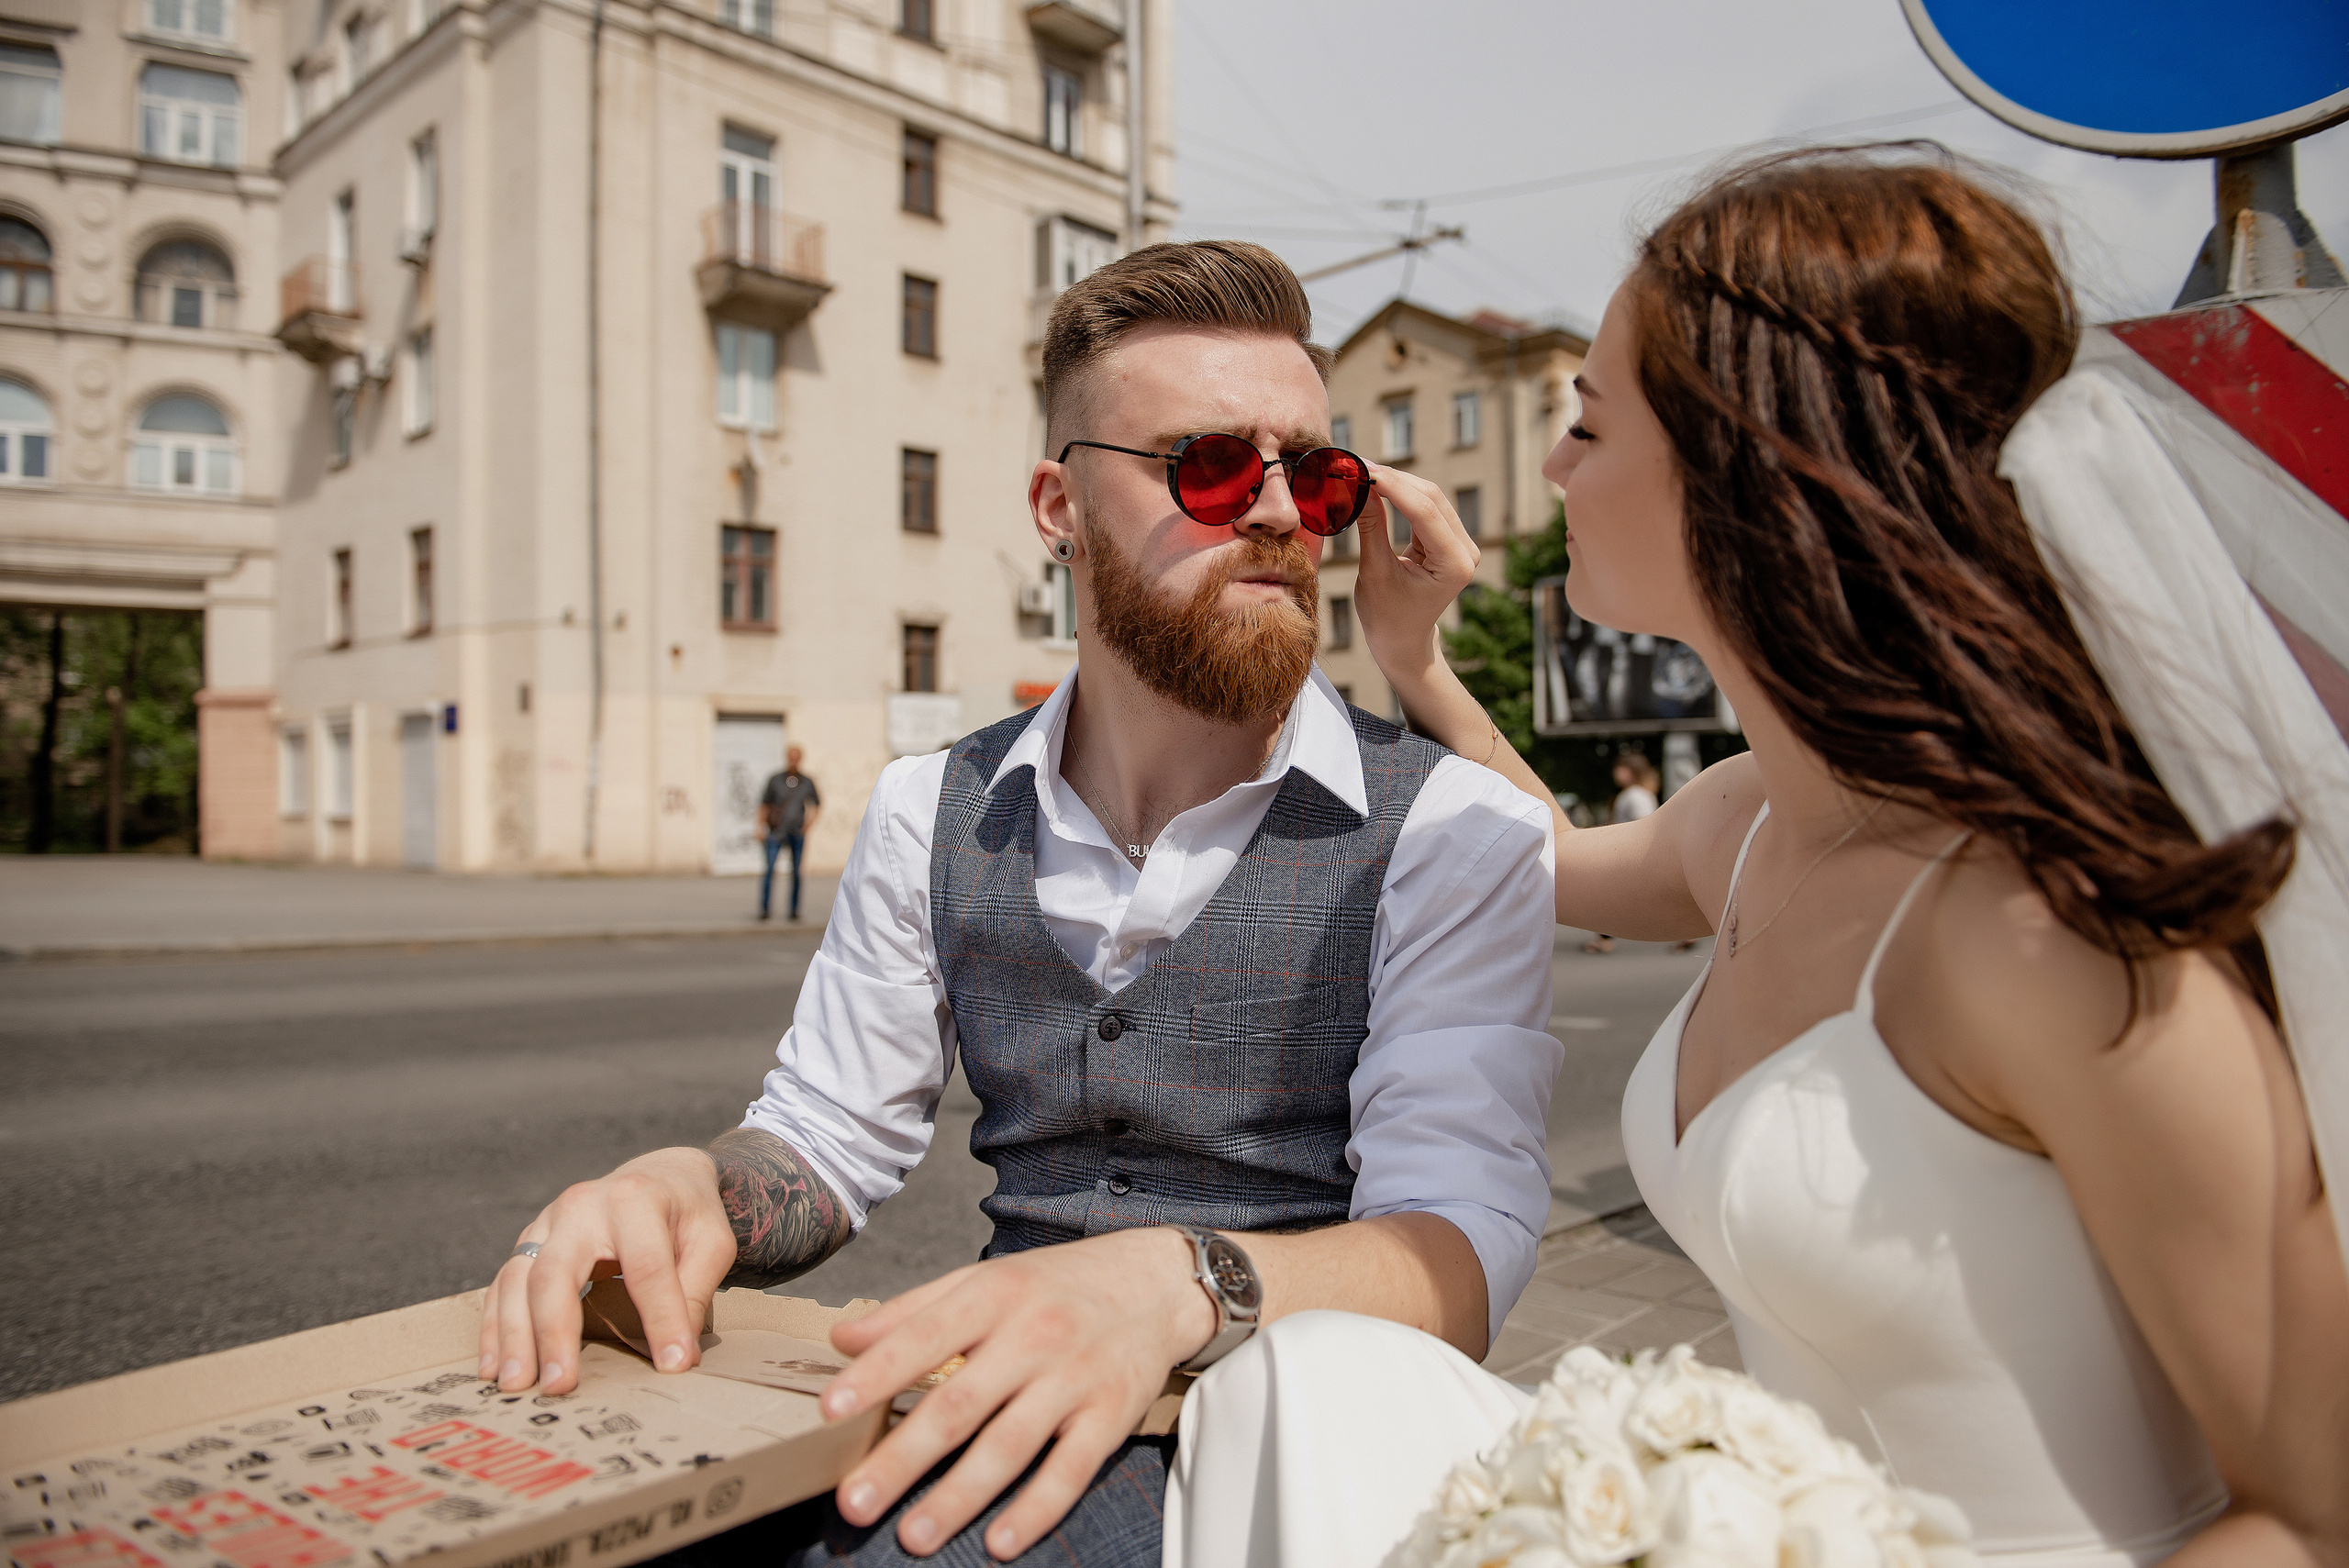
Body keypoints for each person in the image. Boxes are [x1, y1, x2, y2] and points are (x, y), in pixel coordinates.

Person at [1167, 146, 2348, 1565]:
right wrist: (1411, 658)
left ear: (1743, 467)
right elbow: (1532, 849)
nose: (1549, 466)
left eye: (1589, 429)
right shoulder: (1746, 823)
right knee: (1300, 1384)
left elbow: (2317, 1505)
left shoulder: (2042, 932)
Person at [479, 240, 1563, 1565]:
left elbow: (1460, 1251)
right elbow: (822, 1139)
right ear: (1058, 506)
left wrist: (1172, 1286)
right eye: (1212, 467)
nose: (1279, 512)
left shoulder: (1455, 830)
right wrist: (688, 1184)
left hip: (1284, 1452)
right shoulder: (928, 806)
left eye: (1317, 473)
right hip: (988, 1396)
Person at [1580, 751, 1660, 952]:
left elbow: (1643, 825)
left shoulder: (1635, 796)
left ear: (1632, 771)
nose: (1616, 772)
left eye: (1621, 768)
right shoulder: (1640, 794)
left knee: (1605, 897)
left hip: (1627, 855)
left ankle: (1605, 939)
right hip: (1631, 854)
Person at [757, 745, 821, 922]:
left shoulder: (807, 782)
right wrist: (760, 827)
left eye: (796, 757)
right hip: (776, 832)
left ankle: (794, 910)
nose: (793, 760)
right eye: (790, 757)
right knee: (770, 871)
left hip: (796, 833)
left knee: (796, 873)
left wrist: (807, 826)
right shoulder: (775, 780)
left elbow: (816, 805)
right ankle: (764, 910)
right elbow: (764, 804)